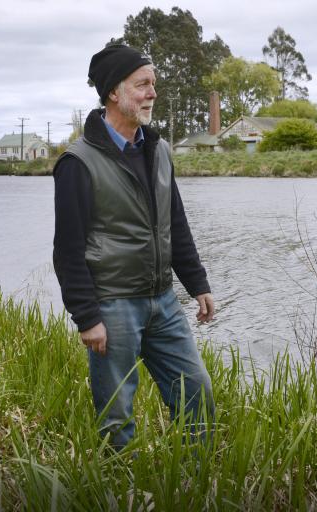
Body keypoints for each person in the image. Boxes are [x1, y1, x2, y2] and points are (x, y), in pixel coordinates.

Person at [53, 44, 215, 449]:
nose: (152, 93)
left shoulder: (158, 150)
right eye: (142, 84)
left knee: (196, 391)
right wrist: (87, 317)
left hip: (163, 301)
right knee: (117, 417)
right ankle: (119, 489)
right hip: (113, 305)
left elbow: (174, 222)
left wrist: (198, 283)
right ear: (114, 92)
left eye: (153, 84)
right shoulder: (78, 162)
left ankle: (195, 479)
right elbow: (67, 251)